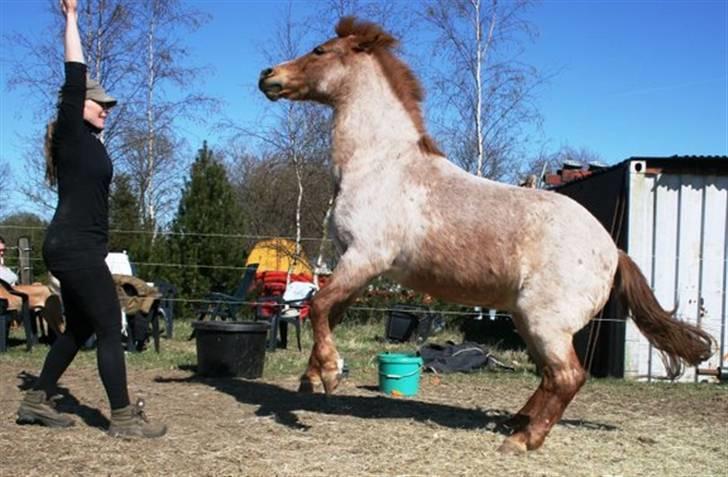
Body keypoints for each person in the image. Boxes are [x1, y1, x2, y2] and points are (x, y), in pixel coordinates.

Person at [17, 0, 166, 438]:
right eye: (98, 102)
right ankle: (121, 418)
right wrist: (72, 18)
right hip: (74, 246)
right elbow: (74, 73)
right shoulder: (69, 131)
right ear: (77, 104)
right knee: (107, 325)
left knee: (81, 326)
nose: (106, 108)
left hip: (79, 247)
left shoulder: (90, 143)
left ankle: (36, 399)